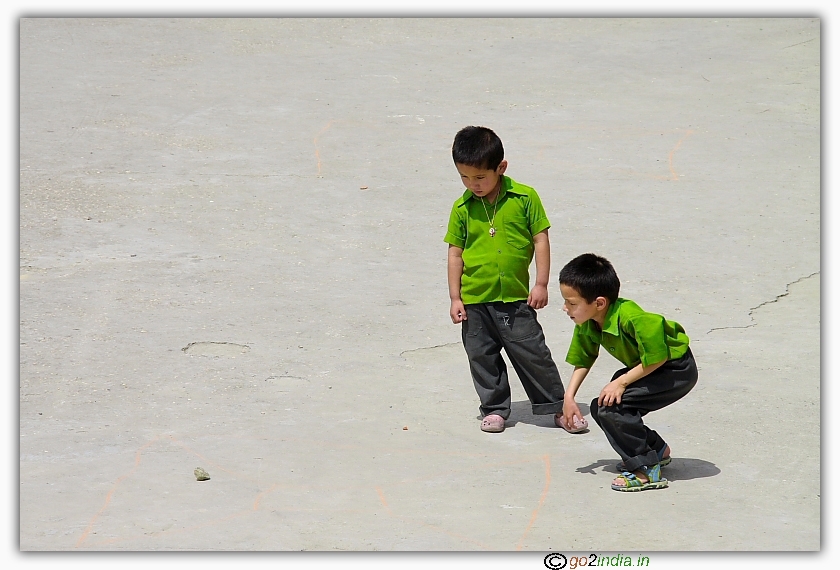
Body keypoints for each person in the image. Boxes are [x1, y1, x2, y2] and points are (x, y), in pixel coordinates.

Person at [444, 125, 581, 434]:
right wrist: (455, 297)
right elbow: (455, 254)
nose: (473, 185)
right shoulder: (462, 208)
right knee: (482, 356)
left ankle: (557, 407)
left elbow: (540, 239)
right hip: (475, 300)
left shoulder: (524, 197)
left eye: (480, 177)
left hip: (515, 298)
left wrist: (542, 283)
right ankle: (493, 409)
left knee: (533, 353)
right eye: (464, 177)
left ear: (501, 168)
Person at [557, 253, 698, 491]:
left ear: (599, 303)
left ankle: (646, 469)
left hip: (675, 369)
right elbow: (583, 359)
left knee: (613, 407)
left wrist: (621, 382)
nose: (565, 308)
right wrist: (568, 398)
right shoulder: (588, 322)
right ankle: (656, 450)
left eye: (572, 303)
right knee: (600, 406)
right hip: (648, 367)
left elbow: (658, 356)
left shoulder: (633, 317)